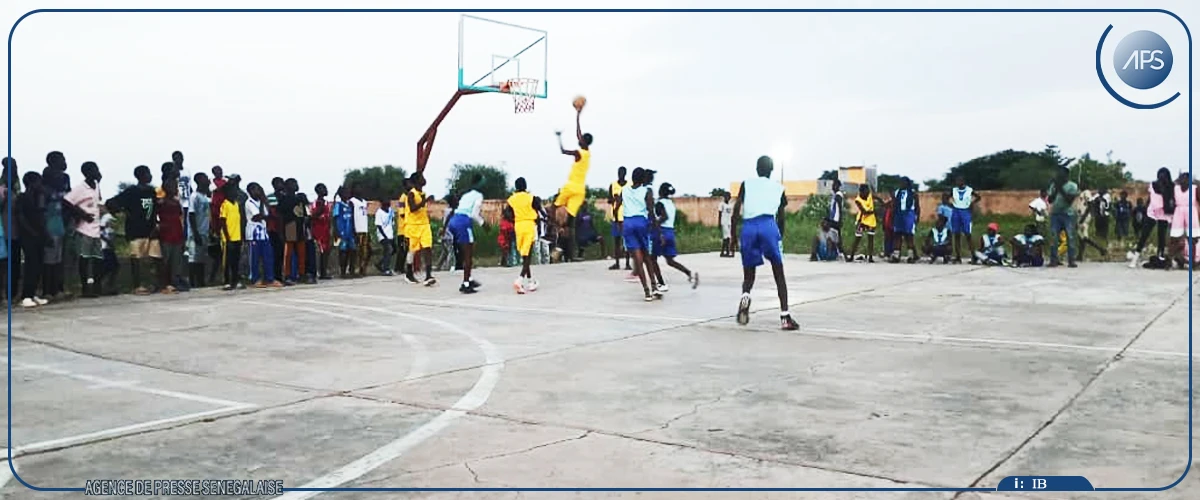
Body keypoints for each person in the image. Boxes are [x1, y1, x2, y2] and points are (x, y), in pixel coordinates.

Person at [732, 156, 798, 330]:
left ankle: (745, 295)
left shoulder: (746, 184)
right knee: (778, 273)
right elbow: (782, 217)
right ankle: (785, 317)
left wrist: (733, 235)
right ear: (771, 170)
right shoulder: (778, 188)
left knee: (748, 275)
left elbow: (737, 208)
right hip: (768, 224)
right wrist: (779, 236)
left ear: (756, 169)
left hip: (749, 227)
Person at [106, 165, 160, 294]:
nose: (150, 176)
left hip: (151, 230)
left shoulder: (152, 191)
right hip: (135, 230)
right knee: (136, 258)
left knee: (155, 258)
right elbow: (111, 202)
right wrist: (122, 211)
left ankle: (156, 283)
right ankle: (137, 285)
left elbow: (156, 209)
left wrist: (156, 224)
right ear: (141, 176)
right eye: (148, 173)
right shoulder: (131, 191)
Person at [615, 168, 662, 302]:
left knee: (637, 259)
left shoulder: (624, 190)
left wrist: (619, 222)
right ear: (643, 179)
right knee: (647, 256)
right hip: (641, 222)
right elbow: (650, 211)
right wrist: (657, 229)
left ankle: (647, 292)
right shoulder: (646, 191)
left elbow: (616, 206)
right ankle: (654, 286)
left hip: (628, 223)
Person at [553, 105, 592, 262]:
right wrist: (577, 116)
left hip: (571, 186)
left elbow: (563, 151)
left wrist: (558, 137)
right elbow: (579, 133)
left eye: (580, 138)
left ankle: (556, 238)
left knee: (554, 208)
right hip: (580, 190)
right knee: (570, 222)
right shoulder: (587, 153)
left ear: (583, 141)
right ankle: (565, 251)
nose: (579, 138)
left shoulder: (578, 152)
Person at [63, 162, 103, 298]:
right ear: (87, 172)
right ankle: (85, 289)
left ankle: (97, 286)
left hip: (96, 229)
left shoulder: (96, 185)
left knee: (97, 259)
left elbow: (98, 200)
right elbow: (67, 201)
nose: (97, 172)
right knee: (84, 260)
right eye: (94, 170)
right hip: (84, 229)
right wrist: (82, 215)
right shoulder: (80, 188)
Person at [650, 182, 698, 290]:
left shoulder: (659, 203)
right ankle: (689, 273)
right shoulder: (671, 204)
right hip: (670, 232)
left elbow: (664, 217)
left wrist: (655, 224)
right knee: (670, 260)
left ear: (660, 191)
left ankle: (661, 283)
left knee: (652, 259)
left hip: (661, 232)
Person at [16, 171, 48, 307]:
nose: (41, 185)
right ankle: (26, 296)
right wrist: (31, 232)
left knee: (39, 265)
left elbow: (41, 216)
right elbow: (20, 217)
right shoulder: (22, 197)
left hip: (39, 235)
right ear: (32, 183)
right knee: (31, 265)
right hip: (28, 236)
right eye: (38, 182)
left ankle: (33, 293)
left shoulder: (38, 198)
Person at [449, 176, 485, 293]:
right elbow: (474, 214)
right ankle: (465, 284)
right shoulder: (479, 196)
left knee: (466, 251)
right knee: (468, 255)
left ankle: (469, 278)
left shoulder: (466, 195)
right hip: (463, 222)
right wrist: (483, 223)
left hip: (454, 220)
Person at [507, 177, 541, 294]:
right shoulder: (531, 197)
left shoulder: (511, 199)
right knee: (529, 254)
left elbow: (507, 213)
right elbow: (539, 208)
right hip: (529, 225)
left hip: (518, 226)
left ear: (516, 187)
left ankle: (530, 282)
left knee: (524, 255)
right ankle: (520, 279)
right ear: (525, 186)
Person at [245, 182, 282, 288]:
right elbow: (258, 216)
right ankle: (254, 279)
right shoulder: (249, 202)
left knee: (268, 256)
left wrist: (264, 201)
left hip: (263, 233)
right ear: (251, 191)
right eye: (256, 190)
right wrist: (262, 203)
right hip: (254, 233)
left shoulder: (262, 202)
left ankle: (269, 278)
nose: (258, 192)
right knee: (255, 257)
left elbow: (268, 214)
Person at [405, 173, 436, 286]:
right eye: (422, 177)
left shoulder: (422, 193)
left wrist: (426, 201)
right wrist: (424, 201)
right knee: (412, 251)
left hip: (424, 224)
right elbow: (413, 208)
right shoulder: (411, 194)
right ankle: (409, 273)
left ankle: (428, 275)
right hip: (413, 226)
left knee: (427, 248)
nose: (424, 179)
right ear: (417, 181)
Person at [1047, 165, 1080, 268]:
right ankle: (1053, 260)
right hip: (1055, 214)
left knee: (1070, 237)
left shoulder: (1072, 186)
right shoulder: (1053, 185)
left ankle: (1071, 261)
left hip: (1068, 214)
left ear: (1066, 175)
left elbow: (1069, 200)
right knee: (1054, 237)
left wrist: (1060, 188)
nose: (1058, 175)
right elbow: (1050, 200)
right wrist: (1056, 189)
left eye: (1060, 174)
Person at [156, 181, 186, 294]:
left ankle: (175, 282)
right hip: (166, 234)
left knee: (176, 260)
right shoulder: (161, 203)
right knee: (165, 260)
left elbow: (180, 218)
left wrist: (182, 233)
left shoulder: (176, 202)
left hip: (177, 233)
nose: (175, 188)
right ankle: (165, 283)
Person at [217, 177, 244, 290]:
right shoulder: (225, 204)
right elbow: (223, 222)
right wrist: (227, 238)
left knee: (236, 260)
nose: (234, 193)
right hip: (228, 238)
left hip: (237, 237)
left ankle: (235, 280)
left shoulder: (236, 204)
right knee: (227, 261)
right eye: (232, 191)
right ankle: (227, 281)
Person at [1169, 172, 1199, 267]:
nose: (1183, 180)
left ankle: (1193, 262)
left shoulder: (1195, 189)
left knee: (1192, 239)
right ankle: (1170, 260)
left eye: (1185, 179)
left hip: (1191, 211)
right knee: (1174, 238)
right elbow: (1171, 201)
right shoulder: (1175, 189)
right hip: (1178, 211)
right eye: (1181, 178)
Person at [187, 172, 212, 288]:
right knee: (193, 259)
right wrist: (195, 232)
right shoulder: (194, 196)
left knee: (201, 258)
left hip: (204, 232)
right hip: (196, 233)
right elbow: (191, 215)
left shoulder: (205, 197)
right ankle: (192, 282)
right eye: (205, 178)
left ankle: (201, 282)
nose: (208, 180)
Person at [1, 158, 21, 300]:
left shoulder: (16, 191)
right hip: (4, 232)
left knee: (15, 264)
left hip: (16, 232)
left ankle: (12, 294)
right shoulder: (3, 190)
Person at [950, 175, 981, 264]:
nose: (958, 182)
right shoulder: (953, 190)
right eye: (957, 181)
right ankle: (958, 257)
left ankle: (973, 256)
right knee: (956, 235)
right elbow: (946, 197)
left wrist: (972, 203)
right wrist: (950, 204)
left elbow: (978, 197)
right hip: (956, 211)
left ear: (963, 181)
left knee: (968, 235)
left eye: (960, 181)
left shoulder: (970, 190)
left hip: (965, 211)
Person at [891, 177, 920, 263]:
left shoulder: (913, 193)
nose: (902, 184)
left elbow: (917, 207)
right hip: (899, 214)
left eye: (904, 182)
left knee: (909, 236)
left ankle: (911, 256)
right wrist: (893, 216)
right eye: (901, 182)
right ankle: (896, 255)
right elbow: (894, 204)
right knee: (897, 235)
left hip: (909, 215)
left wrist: (917, 217)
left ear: (907, 183)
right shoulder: (897, 192)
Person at [846, 184, 876, 263]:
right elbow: (864, 212)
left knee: (871, 239)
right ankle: (851, 256)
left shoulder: (869, 196)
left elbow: (876, 198)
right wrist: (873, 211)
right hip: (862, 220)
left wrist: (882, 203)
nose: (867, 193)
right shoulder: (857, 200)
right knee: (857, 239)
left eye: (868, 191)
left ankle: (870, 257)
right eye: (865, 191)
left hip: (871, 220)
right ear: (861, 191)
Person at [332, 186, 356, 278]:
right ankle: (342, 272)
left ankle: (352, 270)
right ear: (341, 195)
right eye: (345, 193)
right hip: (342, 232)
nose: (348, 194)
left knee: (353, 251)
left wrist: (354, 230)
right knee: (343, 252)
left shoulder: (350, 204)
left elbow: (353, 218)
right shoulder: (338, 205)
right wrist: (336, 231)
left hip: (350, 232)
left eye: (348, 192)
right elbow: (334, 219)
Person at [310, 183, 333, 280]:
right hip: (318, 230)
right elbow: (313, 215)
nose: (326, 190)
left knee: (326, 252)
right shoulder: (316, 203)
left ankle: (324, 271)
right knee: (321, 251)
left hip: (326, 230)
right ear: (318, 191)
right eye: (324, 189)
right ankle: (320, 272)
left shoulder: (327, 203)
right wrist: (321, 208)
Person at [609, 167, 630, 270]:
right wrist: (614, 199)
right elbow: (609, 200)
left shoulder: (629, 185)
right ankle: (617, 263)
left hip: (626, 216)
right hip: (616, 217)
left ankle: (627, 263)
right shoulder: (613, 185)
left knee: (627, 241)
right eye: (619, 172)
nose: (620, 174)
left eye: (622, 173)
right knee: (617, 241)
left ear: (625, 173)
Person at [373, 199, 396, 277]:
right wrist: (384, 236)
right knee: (389, 250)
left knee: (394, 250)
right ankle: (386, 269)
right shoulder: (379, 213)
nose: (387, 207)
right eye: (385, 206)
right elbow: (378, 226)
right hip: (383, 235)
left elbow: (392, 220)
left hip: (390, 234)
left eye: (388, 206)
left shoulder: (390, 211)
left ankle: (380, 264)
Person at [718, 191, 735, 258]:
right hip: (724, 222)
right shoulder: (721, 204)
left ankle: (722, 252)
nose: (727, 198)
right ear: (724, 197)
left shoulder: (730, 205)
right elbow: (719, 214)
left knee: (727, 237)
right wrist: (719, 223)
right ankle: (727, 251)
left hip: (729, 223)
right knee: (727, 237)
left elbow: (731, 215)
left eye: (729, 197)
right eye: (726, 196)